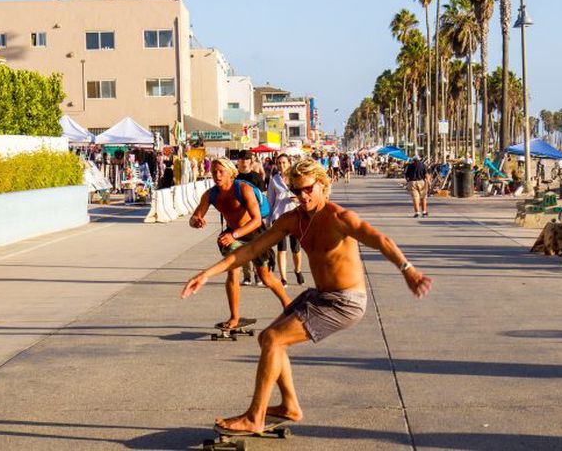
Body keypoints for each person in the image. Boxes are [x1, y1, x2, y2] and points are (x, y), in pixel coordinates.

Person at [181, 158, 431, 435]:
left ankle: (255, 417)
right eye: (297, 191)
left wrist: (408, 270)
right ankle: (289, 406)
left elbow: (381, 240)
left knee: (275, 340)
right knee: (267, 338)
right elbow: (249, 251)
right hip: (319, 295)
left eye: (308, 189)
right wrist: (206, 274)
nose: (303, 196)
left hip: (345, 302)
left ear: (324, 185)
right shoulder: (293, 220)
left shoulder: (340, 218)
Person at [189, 158, 291, 329]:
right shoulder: (211, 194)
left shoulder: (242, 189)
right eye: (214, 171)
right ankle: (234, 317)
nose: (217, 175)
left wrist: (234, 234)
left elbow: (257, 220)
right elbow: (194, 217)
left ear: (231, 172)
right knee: (233, 273)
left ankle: (289, 307)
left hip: (255, 234)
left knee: (266, 277)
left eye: (221, 171)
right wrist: (196, 221)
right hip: (233, 236)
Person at [267, 153, 305, 286]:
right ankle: (283, 278)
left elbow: (305, 195)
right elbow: (270, 200)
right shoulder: (274, 179)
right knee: (281, 248)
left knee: (296, 249)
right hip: (279, 217)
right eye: (279, 163)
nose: (281, 165)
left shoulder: (296, 178)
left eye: (284, 163)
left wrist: (298, 200)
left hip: (295, 216)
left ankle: (298, 270)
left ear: (289, 163)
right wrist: (269, 219)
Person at [236, 150, 267, 285]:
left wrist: (262, 216)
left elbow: (263, 197)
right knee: (242, 247)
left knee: (256, 246)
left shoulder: (256, 177)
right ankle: (247, 276)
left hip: (255, 217)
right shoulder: (235, 178)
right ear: (238, 161)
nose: (244, 162)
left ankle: (258, 275)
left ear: (251, 161)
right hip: (239, 217)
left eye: (246, 159)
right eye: (241, 159)